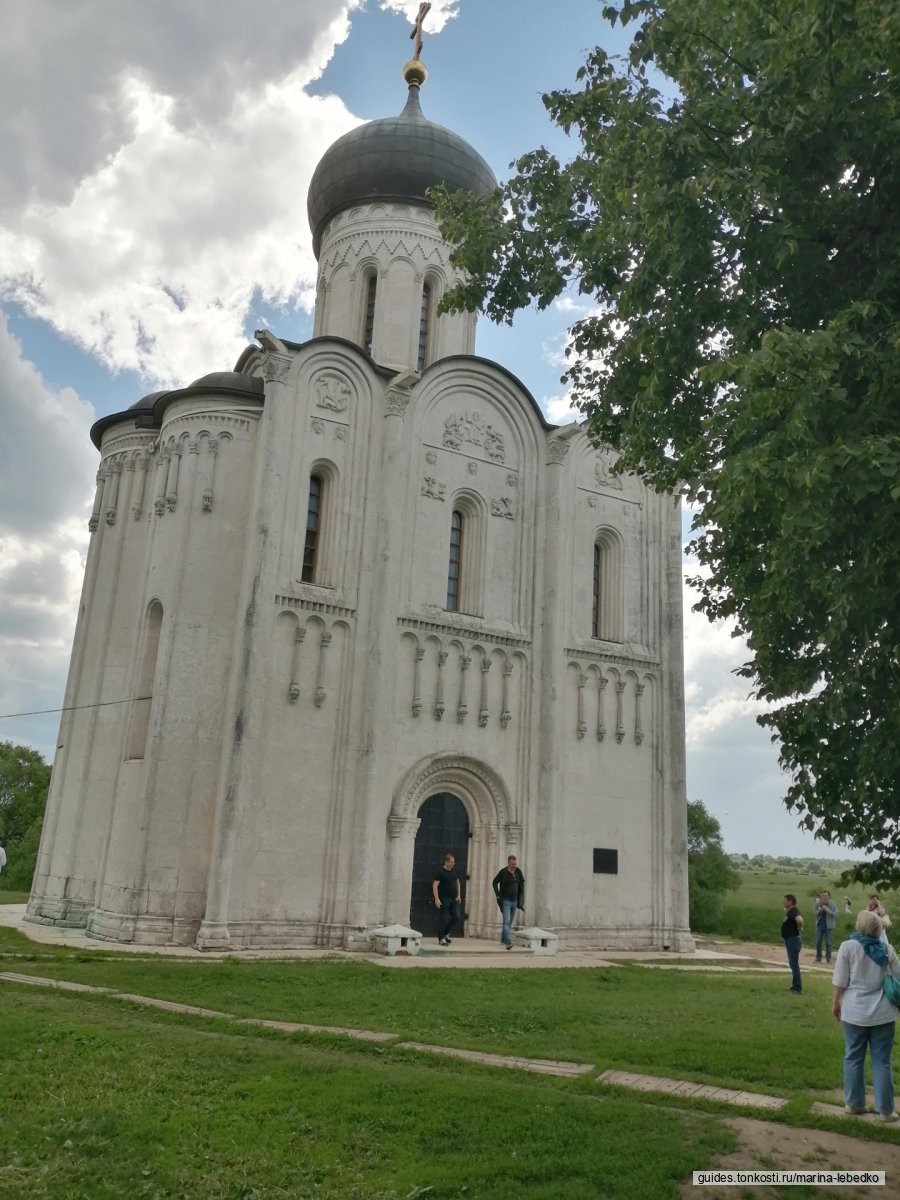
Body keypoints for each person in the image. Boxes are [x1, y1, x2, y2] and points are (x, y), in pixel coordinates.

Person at [832, 909, 900, 1122]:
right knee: (882, 1061)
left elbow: (840, 981)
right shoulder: (887, 949)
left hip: (854, 1012)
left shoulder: (848, 947)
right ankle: (886, 1111)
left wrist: (836, 1003)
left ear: (859, 926)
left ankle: (854, 1104)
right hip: (883, 1013)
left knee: (853, 1057)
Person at [492, 854, 525, 950]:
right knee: (506, 921)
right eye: (512, 864)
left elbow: (522, 883)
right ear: (508, 863)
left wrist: (521, 897)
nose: (514, 866)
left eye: (515, 864)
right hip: (505, 900)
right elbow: (494, 882)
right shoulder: (503, 872)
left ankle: (503, 938)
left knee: (509, 922)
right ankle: (508, 942)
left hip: (514, 901)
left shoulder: (518, 872)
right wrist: (498, 895)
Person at [432, 852, 462, 947]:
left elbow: (457, 882)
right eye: (452, 862)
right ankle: (441, 939)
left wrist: (459, 895)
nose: (453, 864)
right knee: (443, 919)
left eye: (454, 862)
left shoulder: (454, 871)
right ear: (446, 862)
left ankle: (446, 933)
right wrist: (437, 899)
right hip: (444, 899)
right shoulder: (440, 872)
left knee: (456, 916)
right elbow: (435, 885)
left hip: (453, 899)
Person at [781, 893, 804, 994]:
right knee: (792, 963)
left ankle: (798, 988)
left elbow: (799, 920)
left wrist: (799, 927)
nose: (783, 902)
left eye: (785, 900)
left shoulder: (794, 911)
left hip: (793, 940)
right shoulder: (790, 912)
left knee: (794, 964)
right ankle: (794, 986)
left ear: (790, 902)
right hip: (790, 940)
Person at [814, 890, 838, 964]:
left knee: (828, 943)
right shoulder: (818, 903)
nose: (824, 897)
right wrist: (820, 909)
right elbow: (815, 913)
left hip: (829, 926)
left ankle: (828, 959)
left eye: (825, 896)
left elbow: (835, 915)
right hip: (820, 925)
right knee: (818, 942)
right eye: (822, 896)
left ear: (829, 897)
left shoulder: (833, 904)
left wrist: (827, 910)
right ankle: (818, 957)